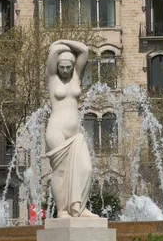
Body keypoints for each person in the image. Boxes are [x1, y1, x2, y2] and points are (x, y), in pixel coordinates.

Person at [46, 39, 98, 218]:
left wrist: (62, 41)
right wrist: (58, 46)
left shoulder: (76, 76)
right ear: (57, 66)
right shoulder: (52, 79)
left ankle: (79, 208)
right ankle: (62, 210)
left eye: (69, 66)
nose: (66, 70)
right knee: (60, 171)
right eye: (62, 67)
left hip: (76, 134)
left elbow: (84, 50)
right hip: (56, 130)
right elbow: (52, 52)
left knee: (86, 169)